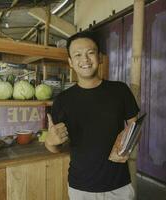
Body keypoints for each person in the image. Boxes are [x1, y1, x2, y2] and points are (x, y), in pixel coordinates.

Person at [45, 31, 139, 200]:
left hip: (119, 186)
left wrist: (127, 146)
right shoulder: (63, 100)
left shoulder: (120, 90)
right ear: (71, 62)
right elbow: (55, 147)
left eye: (90, 53)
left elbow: (135, 126)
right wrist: (50, 142)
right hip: (80, 187)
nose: (85, 60)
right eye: (78, 55)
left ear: (100, 57)